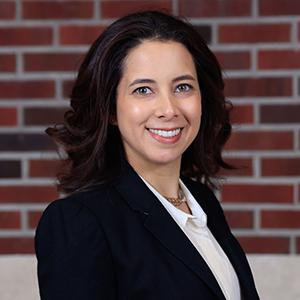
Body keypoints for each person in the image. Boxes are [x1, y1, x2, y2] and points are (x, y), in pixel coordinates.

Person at [35, 10, 260, 300]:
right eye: (143, 90)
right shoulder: (79, 223)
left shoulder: (202, 202)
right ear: (111, 110)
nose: (168, 109)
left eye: (182, 87)